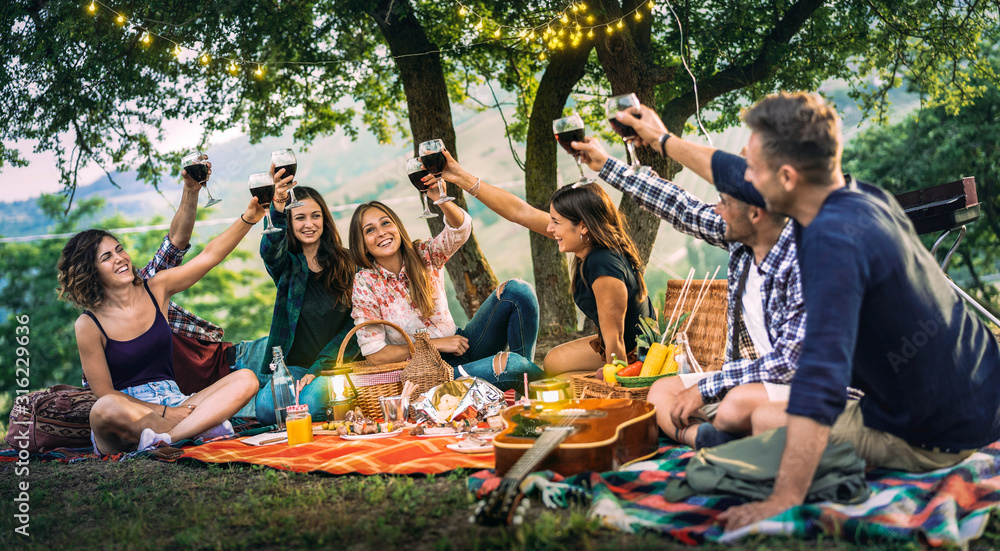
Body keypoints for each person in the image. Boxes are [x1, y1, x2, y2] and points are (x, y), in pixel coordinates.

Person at [714, 91, 1000, 531]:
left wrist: (784, 499)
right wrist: (660, 140)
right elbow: (735, 171)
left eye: (750, 168)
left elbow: (819, 383)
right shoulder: (863, 197)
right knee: (757, 415)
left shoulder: (831, 244)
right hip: (982, 395)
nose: (742, 179)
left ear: (787, 177)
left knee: (762, 422)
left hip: (938, 434)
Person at [570, 108, 806, 450]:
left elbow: (790, 362)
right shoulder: (741, 235)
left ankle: (719, 436)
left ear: (759, 204)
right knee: (662, 391)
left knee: (736, 405)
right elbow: (681, 207)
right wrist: (606, 165)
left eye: (727, 196)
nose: (717, 207)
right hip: (747, 381)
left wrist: (707, 389)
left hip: (801, 385)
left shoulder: (802, 253)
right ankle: (705, 438)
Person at [58, 199, 266, 454]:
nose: (120, 258)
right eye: (107, 257)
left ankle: (167, 438)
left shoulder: (156, 288)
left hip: (176, 401)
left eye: (119, 249)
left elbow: (208, 257)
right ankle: (195, 429)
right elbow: (104, 394)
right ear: (91, 271)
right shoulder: (88, 324)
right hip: (128, 412)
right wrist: (166, 412)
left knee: (246, 379)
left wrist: (249, 219)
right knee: (104, 408)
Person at [435, 153, 655, 375]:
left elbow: (615, 339)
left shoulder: (603, 267)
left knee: (563, 379)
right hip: (620, 343)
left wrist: (615, 383)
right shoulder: (590, 244)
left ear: (583, 226)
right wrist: (461, 177)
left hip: (636, 356)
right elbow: (520, 212)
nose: (550, 229)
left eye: (556, 222)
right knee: (553, 362)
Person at [347, 183, 543, 392]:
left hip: (464, 347)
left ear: (397, 226)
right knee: (511, 366)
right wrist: (434, 344)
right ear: (362, 243)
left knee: (517, 291)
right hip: (428, 374)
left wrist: (441, 199)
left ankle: (526, 391)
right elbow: (376, 355)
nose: (381, 232)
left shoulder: (424, 254)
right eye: (370, 230)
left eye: (386, 223)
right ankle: (545, 386)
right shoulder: (365, 284)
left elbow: (460, 230)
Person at [253, 168, 361, 423]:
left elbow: (356, 323)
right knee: (268, 410)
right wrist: (277, 207)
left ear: (325, 219)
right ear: (289, 223)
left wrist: (319, 369)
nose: (309, 224)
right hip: (292, 368)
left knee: (310, 405)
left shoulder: (348, 262)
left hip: (335, 366)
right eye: (300, 217)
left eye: (315, 216)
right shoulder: (286, 266)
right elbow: (270, 249)